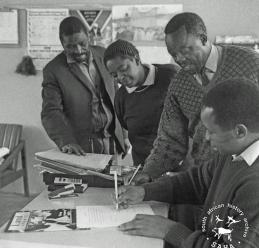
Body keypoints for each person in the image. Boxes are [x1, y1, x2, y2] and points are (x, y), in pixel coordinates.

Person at [116, 78, 259, 248]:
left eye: (212, 131)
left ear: (240, 131)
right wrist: (145, 192)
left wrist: (170, 230)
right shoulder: (233, 151)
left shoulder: (254, 185)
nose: (206, 138)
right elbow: (197, 182)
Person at [136, 12, 259, 183]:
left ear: (203, 38)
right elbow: (169, 140)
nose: (179, 59)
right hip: (206, 179)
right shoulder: (178, 85)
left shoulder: (251, 64)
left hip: (249, 176)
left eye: (185, 50)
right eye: (173, 54)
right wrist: (149, 173)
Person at [41, 16, 125, 157]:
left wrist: (124, 134)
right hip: (81, 147)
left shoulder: (104, 54)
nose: (78, 50)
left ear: (89, 37)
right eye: (71, 46)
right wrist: (66, 141)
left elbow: (117, 95)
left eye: (82, 43)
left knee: (113, 179)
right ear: (62, 44)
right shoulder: (53, 70)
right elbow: (51, 111)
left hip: (112, 141)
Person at [103, 39, 179, 165]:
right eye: (114, 75)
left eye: (123, 69)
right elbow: (126, 125)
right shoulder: (122, 97)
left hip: (180, 165)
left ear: (136, 59)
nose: (121, 77)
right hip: (144, 167)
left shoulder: (171, 76)